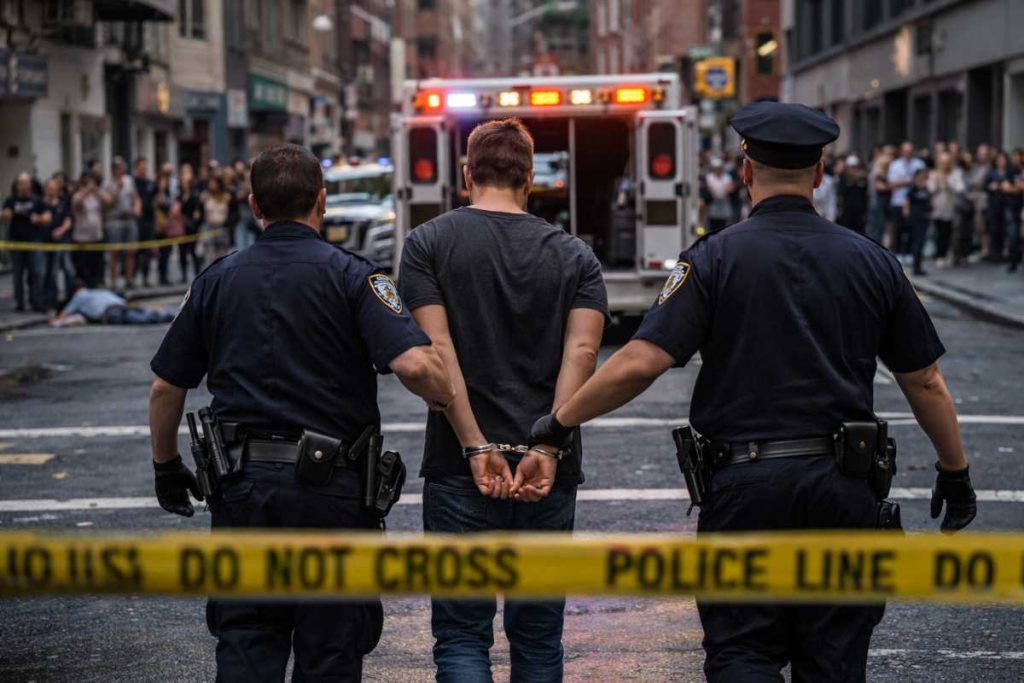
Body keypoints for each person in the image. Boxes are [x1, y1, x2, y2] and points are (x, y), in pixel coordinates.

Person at [524, 101, 977, 682]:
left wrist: (558, 422)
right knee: (834, 659)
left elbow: (640, 362)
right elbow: (924, 378)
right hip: (843, 491)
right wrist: (955, 471)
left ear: (745, 171)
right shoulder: (874, 261)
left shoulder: (713, 258)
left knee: (742, 652)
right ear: (819, 173)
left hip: (745, 489)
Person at [147, 143, 455, 680]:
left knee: (246, 642)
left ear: (253, 205)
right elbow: (414, 366)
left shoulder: (214, 281)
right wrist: (445, 385)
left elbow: (165, 387)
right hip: (331, 493)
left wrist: (167, 467)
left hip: (241, 492)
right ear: (322, 200)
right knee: (331, 649)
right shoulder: (355, 277)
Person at [398, 118, 608, 682]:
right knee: (538, 637)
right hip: (548, 472)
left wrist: (473, 445)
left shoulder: (427, 245)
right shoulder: (576, 257)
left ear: (466, 175)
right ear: (530, 177)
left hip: (457, 468)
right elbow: (584, 353)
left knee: (462, 636)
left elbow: (436, 350)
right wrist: (550, 442)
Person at [2, 172, 51, 312]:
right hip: (16, 242)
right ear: (17, 186)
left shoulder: (37, 200)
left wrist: (39, 219)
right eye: (20, 183)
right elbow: (4, 214)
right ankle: (19, 303)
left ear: (30, 185)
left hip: (34, 241)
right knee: (18, 274)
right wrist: (6, 214)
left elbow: (48, 217)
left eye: (25, 183)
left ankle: (36, 301)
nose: (23, 186)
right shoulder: (11, 200)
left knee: (37, 272)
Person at [49, 282, 175, 326]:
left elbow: (64, 314)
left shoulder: (79, 296)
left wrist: (57, 320)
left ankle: (166, 316)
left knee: (141, 319)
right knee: (139, 314)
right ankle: (167, 314)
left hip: (110, 312)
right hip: (121, 305)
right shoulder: (97, 292)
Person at [104, 156, 141, 288]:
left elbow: (135, 197)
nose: (121, 170)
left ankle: (129, 279)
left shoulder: (129, 181)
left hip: (129, 218)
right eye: (119, 168)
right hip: (115, 220)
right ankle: (112, 281)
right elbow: (107, 202)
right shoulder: (108, 183)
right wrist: (117, 189)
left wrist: (137, 207)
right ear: (114, 170)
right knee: (115, 252)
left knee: (130, 251)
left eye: (122, 167)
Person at [886, 141, 925, 258]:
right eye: (906, 151)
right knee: (898, 228)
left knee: (912, 228)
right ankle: (897, 252)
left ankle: (910, 252)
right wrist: (908, 182)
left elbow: (922, 181)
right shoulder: (895, 165)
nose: (908, 153)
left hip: (914, 202)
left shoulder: (919, 164)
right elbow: (891, 183)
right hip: (898, 201)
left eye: (910, 151)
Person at [41, 177, 76, 309]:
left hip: (61, 241)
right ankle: (49, 299)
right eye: (49, 188)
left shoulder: (63, 202)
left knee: (66, 269)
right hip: (44, 242)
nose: (51, 190)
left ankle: (70, 296)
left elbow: (68, 220)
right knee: (47, 272)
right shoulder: (41, 203)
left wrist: (60, 231)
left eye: (54, 188)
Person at [70, 172, 109, 288]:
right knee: (83, 270)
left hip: (96, 237)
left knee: (97, 268)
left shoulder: (96, 197)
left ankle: (97, 285)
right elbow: (77, 204)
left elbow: (109, 200)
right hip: (81, 239)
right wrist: (86, 191)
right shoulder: (77, 196)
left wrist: (96, 190)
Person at [928, 152, 966, 267]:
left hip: (951, 209)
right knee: (939, 233)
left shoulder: (955, 173)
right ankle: (940, 255)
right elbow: (930, 189)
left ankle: (950, 255)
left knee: (949, 233)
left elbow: (960, 188)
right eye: (942, 163)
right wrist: (937, 182)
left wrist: (948, 181)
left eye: (946, 163)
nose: (944, 166)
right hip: (937, 209)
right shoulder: (934, 174)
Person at [133, 157, 157, 287]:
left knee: (147, 251)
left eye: (145, 166)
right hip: (137, 221)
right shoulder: (133, 183)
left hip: (149, 220)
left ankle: (146, 277)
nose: (144, 168)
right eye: (141, 166)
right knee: (136, 250)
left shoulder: (150, 183)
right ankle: (133, 276)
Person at [904, 168, 932, 276]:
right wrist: (907, 215)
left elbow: (928, 202)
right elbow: (907, 201)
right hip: (915, 218)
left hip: (923, 218)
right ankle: (916, 267)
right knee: (917, 242)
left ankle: (919, 266)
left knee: (921, 242)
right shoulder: (913, 188)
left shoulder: (925, 189)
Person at [837, 154, 869, 233]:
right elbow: (841, 191)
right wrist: (851, 181)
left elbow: (865, 193)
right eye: (851, 167)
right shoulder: (843, 177)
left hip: (859, 211)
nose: (853, 170)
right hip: (847, 210)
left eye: (855, 167)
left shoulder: (862, 178)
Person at [705, 159, 735, 230]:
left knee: (724, 224)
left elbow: (730, 188)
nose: (718, 170)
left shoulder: (727, 177)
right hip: (713, 202)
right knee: (713, 223)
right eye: (716, 169)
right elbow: (709, 189)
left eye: (719, 168)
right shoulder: (710, 177)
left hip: (724, 202)